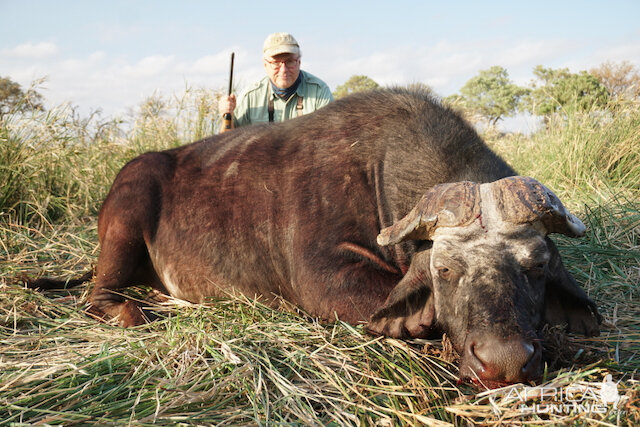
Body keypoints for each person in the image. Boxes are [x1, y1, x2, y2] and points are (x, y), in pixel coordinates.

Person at [218, 32, 333, 130]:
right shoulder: (249, 96)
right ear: (265, 64)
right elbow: (228, 142)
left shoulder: (320, 92)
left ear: (299, 62)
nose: (283, 70)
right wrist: (226, 116)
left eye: (290, 61)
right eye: (276, 63)